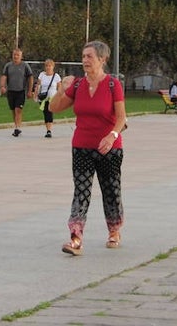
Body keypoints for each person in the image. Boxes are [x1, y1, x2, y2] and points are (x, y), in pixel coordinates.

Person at [48, 40, 127, 255]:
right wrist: (61, 89)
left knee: (111, 190)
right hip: (81, 146)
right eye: (83, 56)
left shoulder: (113, 85)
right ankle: (75, 237)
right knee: (81, 191)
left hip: (109, 148)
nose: (85, 60)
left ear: (103, 59)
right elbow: (54, 108)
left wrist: (111, 136)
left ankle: (114, 230)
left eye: (89, 56)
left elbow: (121, 118)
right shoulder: (77, 85)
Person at [0, 46, 34, 137]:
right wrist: (2, 86)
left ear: (21, 56)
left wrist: (30, 90)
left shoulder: (25, 66)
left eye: (18, 55)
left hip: (20, 91)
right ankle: (16, 125)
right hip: (11, 91)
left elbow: (30, 78)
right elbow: (4, 76)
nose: (16, 57)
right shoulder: (8, 66)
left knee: (18, 109)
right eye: (14, 55)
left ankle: (17, 128)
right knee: (13, 110)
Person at [33, 58, 63, 138]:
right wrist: (35, 94)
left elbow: (60, 87)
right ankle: (47, 129)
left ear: (53, 66)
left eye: (50, 66)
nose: (48, 67)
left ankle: (49, 130)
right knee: (45, 112)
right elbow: (38, 85)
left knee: (49, 112)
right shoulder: (42, 75)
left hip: (52, 97)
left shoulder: (56, 76)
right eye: (46, 66)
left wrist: (60, 97)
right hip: (43, 97)